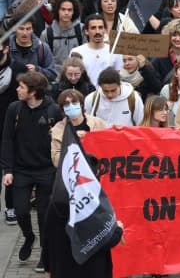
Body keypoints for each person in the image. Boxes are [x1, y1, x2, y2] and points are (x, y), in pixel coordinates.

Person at [46, 89, 121, 278]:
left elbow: (110, 148)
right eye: (66, 104)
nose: (71, 107)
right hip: (70, 187)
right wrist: (118, 229)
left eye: (74, 103)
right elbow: (56, 159)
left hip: (98, 185)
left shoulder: (97, 124)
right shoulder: (57, 130)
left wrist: (118, 133)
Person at [1, 72, 63, 273]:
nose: (17, 89)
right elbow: (7, 140)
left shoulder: (53, 110)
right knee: (20, 211)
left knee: (44, 216)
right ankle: (28, 237)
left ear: (33, 91)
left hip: (46, 170)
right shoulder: (14, 109)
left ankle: (45, 255)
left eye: (21, 87)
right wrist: (7, 170)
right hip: (21, 170)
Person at [69, 14, 123, 83]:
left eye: (100, 27)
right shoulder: (77, 52)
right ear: (86, 31)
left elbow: (119, 77)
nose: (97, 31)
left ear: (105, 30)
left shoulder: (115, 51)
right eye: (93, 28)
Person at [41, 0, 85, 72]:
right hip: (56, 78)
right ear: (57, 10)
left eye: (69, 10)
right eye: (63, 9)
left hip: (79, 76)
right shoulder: (47, 34)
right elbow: (44, 61)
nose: (66, 13)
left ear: (74, 12)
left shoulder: (82, 30)